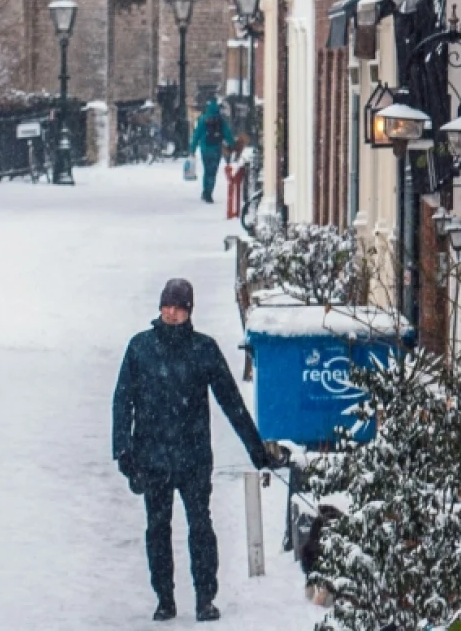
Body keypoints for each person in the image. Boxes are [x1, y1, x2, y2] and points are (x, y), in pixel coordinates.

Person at [112, 279, 270, 623]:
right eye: (168, 306)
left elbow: (231, 401)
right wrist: (124, 452)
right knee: (157, 529)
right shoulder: (140, 348)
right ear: (160, 308)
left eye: (179, 307)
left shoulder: (204, 350)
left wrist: (256, 450)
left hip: (194, 457)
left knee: (200, 526)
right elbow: (122, 402)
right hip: (151, 457)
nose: (172, 313)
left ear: (189, 312)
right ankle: (164, 598)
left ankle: (204, 598)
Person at [189, 96, 234, 204]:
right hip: (216, 148)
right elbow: (227, 134)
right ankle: (209, 192)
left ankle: (205, 191)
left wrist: (192, 149)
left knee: (206, 170)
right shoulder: (220, 120)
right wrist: (232, 145)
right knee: (213, 171)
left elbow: (196, 135)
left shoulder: (203, 119)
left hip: (205, 148)